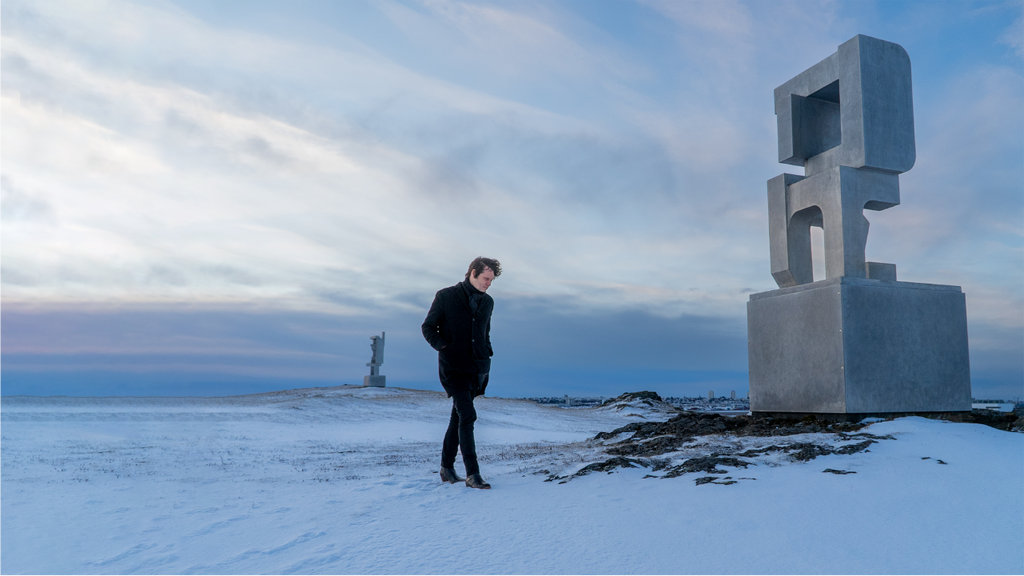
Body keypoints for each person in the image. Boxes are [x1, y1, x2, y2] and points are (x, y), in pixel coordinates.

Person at [421, 257, 500, 489]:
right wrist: (445, 346)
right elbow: (428, 327)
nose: (488, 284)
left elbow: (485, 331)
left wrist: (487, 350)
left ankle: (446, 467)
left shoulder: (488, 303)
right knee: (467, 415)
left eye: (491, 280)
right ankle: (472, 474)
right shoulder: (446, 296)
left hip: (478, 368)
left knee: (458, 416)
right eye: (486, 278)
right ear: (472, 273)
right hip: (453, 367)